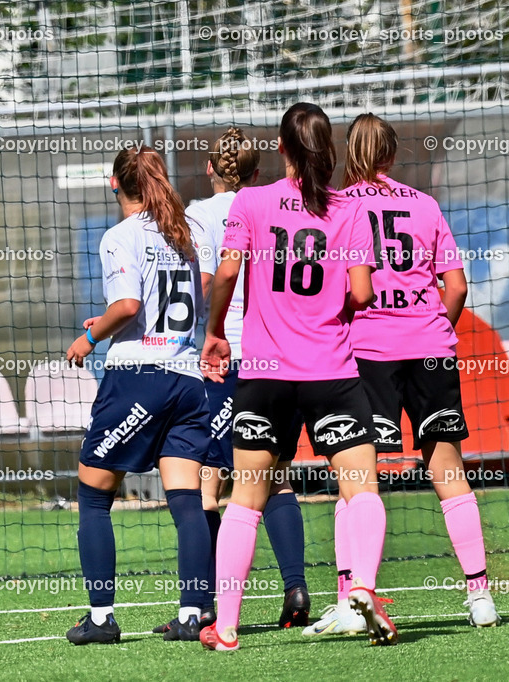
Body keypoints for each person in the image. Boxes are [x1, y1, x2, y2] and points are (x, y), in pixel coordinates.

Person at [200, 102, 395, 651]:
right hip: (331, 369)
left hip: (265, 373)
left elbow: (230, 271)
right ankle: (363, 587)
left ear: (282, 149)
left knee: (245, 499)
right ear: (326, 149)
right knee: (362, 488)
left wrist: (215, 331)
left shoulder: (251, 202)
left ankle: (229, 625)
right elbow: (362, 292)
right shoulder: (348, 210)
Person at [302, 112, 498, 635]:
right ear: (390, 155)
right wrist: (435, 331)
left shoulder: (338, 208)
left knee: (355, 479)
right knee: (448, 472)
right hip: (430, 348)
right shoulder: (426, 205)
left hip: (365, 352)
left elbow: (332, 285)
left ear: (351, 154)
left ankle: (349, 598)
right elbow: (454, 288)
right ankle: (480, 595)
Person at [156, 128, 310, 633]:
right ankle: (295, 587)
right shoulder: (274, 203)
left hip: (223, 357)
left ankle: (203, 606)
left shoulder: (197, 215)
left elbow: (203, 282)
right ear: (256, 171)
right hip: (276, 352)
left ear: (208, 169)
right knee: (278, 475)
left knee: (208, 482)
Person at [63, 147, 212, 645]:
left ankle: (101, 619)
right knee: (187, 500)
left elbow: (126, 305)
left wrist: (91, 337)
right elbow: (203, 289)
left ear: (114, 183)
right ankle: (193, 613)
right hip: (189, 379)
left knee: (92, 495)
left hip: (138, 377)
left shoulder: (120, 237)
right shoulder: (190, 232)